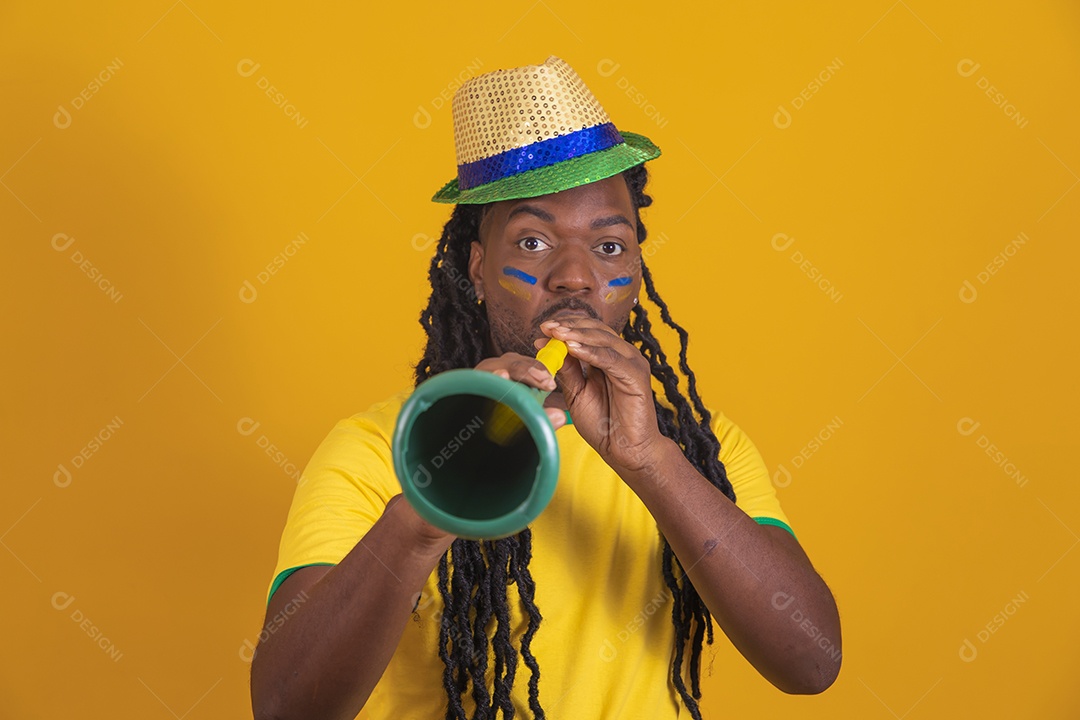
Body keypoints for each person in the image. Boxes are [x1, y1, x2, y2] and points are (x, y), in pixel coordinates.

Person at [250, 56, 841, 720]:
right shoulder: (372, 450)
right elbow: (284, 707)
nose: (574, 277)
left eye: (610, 247)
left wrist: (649, 462)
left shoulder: (703, 450)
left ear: (637, 270)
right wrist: (425, 512)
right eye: (532, 242)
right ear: (477, 270)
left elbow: (811, 662)